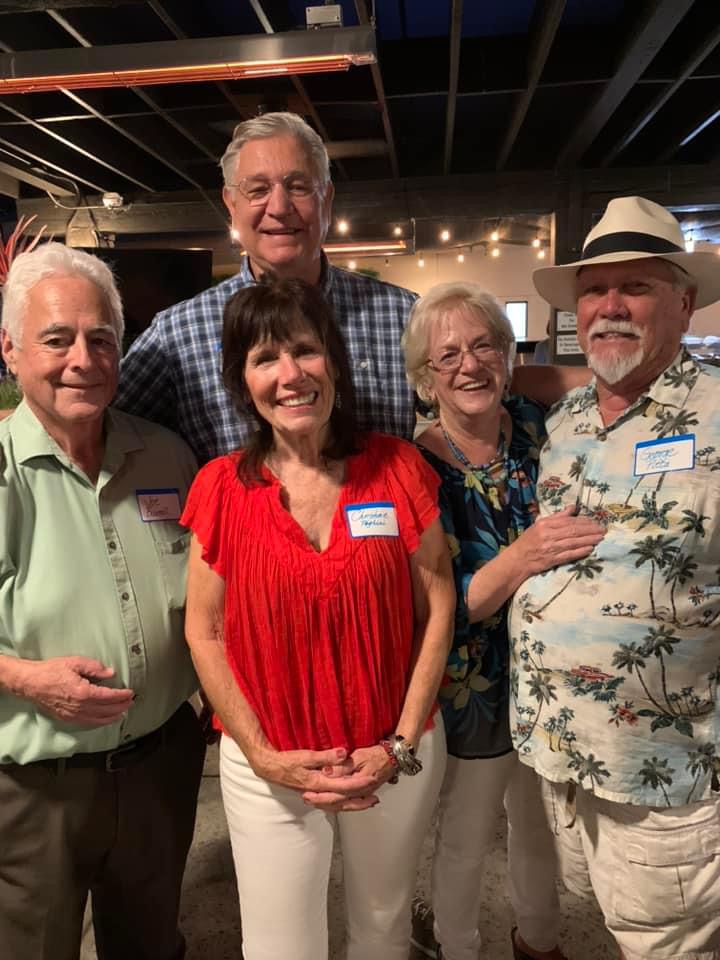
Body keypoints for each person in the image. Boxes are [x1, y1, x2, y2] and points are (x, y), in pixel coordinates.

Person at [181, 273, 455, 960]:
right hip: (270, 762)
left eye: (305, 350)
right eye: (265, 358)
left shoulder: (397, 468)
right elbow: (203, 630)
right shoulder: (220, 487)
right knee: (279, 946)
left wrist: (398, 745)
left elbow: (438, 602)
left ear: (333, 361)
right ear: (241, 380)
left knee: (383, 927)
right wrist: (262, 753)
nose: (290, 374)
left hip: (390, 752)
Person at [510, 195, 720, 960]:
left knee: (668, 944)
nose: (611, 306)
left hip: (666, 774)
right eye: (595, 290)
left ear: (685, 303)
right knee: (610, 923)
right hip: (562, 754)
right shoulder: (566, 422)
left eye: (636, 286)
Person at [0, 243, 206, 960]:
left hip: (161, 770)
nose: (82, 360)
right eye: (56, 340)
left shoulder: (168, 457)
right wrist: (26, 678)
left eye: (102, 339)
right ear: (10, 349)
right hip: (35, 791)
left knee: (151, 946)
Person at [402, 281, 605, 960]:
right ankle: (456, 946)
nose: (470, 364)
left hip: (553, 672)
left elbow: (607, 378)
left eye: (485, 345)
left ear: (509, 353)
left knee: (538, 822)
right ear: (425, 377)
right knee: (467, 832)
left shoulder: (537, 422)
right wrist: (525, 554)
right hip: (475, 682)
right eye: (448, 355)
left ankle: (538, 941)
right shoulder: (416, 468)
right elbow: (446, 604)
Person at [114, 111, 417, 463]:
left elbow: (468, 416)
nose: (280, 207)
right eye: (258, 190)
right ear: (231, 204)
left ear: (327, 198)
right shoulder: (175, 336)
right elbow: (100, 435)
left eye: (298, 186)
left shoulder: (404, 317)